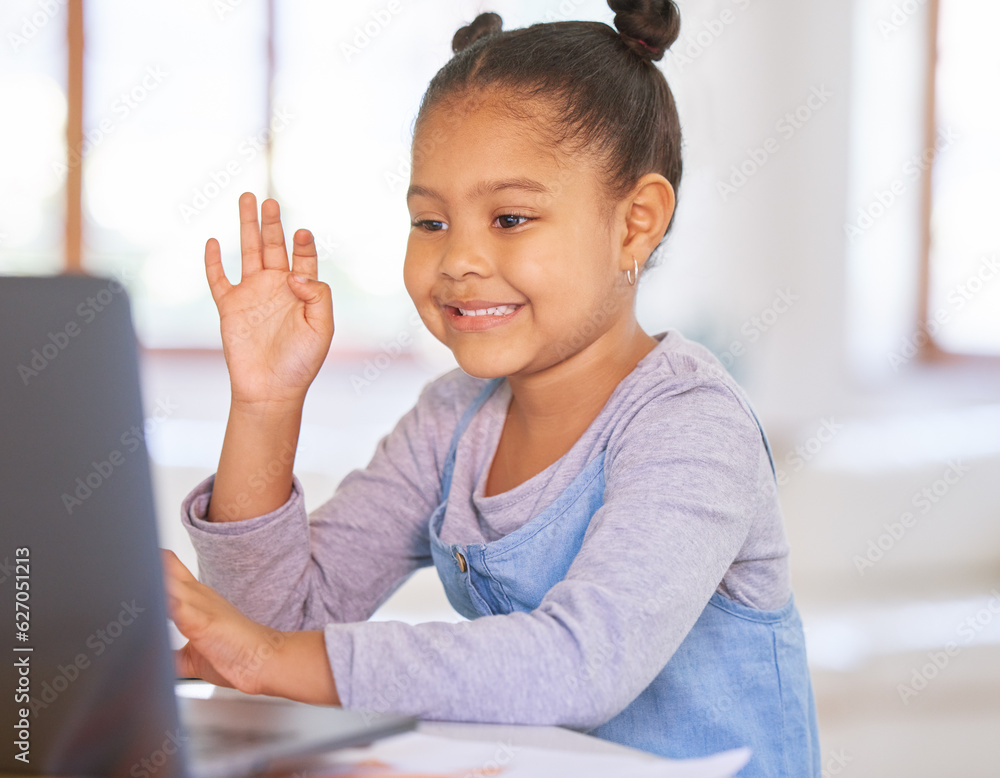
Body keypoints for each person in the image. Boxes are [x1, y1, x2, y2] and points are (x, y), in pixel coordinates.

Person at [163, 1, 821, 774]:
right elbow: (269, 631)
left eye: (509, 218)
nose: (459, 261)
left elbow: (580, 664)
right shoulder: (451, 419)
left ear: (636, 223)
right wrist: (266, 405)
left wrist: (271, 656)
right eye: (431, 223)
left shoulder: (691, 425)